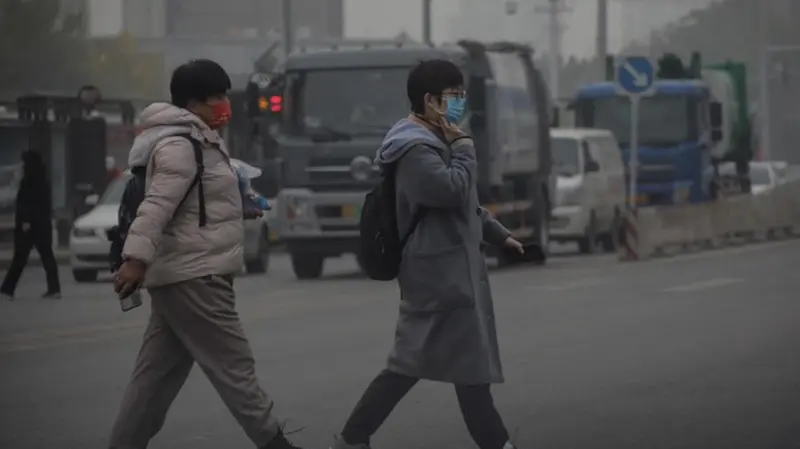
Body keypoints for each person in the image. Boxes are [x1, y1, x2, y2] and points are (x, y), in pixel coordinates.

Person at [108, 59, 303, 449]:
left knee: (154, 380)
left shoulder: (200, 142)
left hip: (181, 277)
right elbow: (158, 204)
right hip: (196, 276)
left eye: (224, 94)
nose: (223, 103)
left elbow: (193, 204)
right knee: (235, 369)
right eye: (216, 96)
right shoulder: (181, 145)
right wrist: (135, 258)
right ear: (193, 102)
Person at [331, 59, 524, 449]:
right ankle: (353, 438)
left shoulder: (437, 139)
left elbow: (466, 204)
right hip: (439, 277)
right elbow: (450, 190)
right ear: (429, 100)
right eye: (453, 96)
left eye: (461, 95)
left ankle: (353, 439)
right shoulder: (415, 148)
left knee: (453, 371)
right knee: (423, 367)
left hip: (452, 271)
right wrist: (466, 148)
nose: (460, 103)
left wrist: (500, 235)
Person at [0, 150, 61, 300]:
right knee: (46, 256)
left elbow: (29, 203)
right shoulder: (41, 179)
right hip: (42, 225)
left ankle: (7, 289)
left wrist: (26, 221)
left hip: (30, 226)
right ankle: (54, 289)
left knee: (20, 257)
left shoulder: (31, 181)